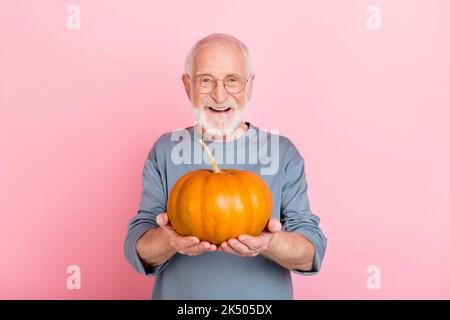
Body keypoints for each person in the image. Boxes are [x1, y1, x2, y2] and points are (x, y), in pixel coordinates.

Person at [124, 33, 327, 299]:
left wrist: (271, 242)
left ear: (249, 86)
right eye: (206, 81)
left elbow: (312, 252)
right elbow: (136, 250)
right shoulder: (166, 149)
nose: (220, 95)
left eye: (232, 80)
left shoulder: (282, 152)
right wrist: (168, 240)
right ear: (188, 86)